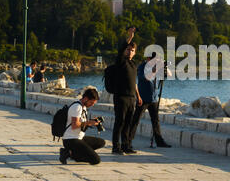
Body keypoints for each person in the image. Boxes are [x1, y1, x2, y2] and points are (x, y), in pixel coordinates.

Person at [129, 52, 172, 149]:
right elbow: (144, 78)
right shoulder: (142, 67)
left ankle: (159, 141)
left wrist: (164, 67)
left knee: (156, 121)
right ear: (148, 59)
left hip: (153, 98)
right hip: (143, 98)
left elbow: (169, 75)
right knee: (136, 120)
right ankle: (128, 141)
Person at [112, 27, 143, 155]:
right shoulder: (121, 62)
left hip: (131, 98)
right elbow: (120, 49)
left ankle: (126, 145)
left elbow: (134, 82)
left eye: (132, 50)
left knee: (128, 123)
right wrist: (130, 36)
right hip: (121, 96)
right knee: (120, 122)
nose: (130, 52)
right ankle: (116, 147)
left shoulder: (133, 64)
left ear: (135, 53)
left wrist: (138, 96)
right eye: (128, 49)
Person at [59, 88, 105, 165]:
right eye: (91, 102)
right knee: (96, 160)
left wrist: (91, 122)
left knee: (101, 142)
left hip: (79, 137)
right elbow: (75, 125)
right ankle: (69, 153)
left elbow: (81, 123)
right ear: (86, 99)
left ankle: (73, 152)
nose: (92, 105)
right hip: (70, 139)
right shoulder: (77, 107)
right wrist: (88, 122)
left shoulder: (83, 107)